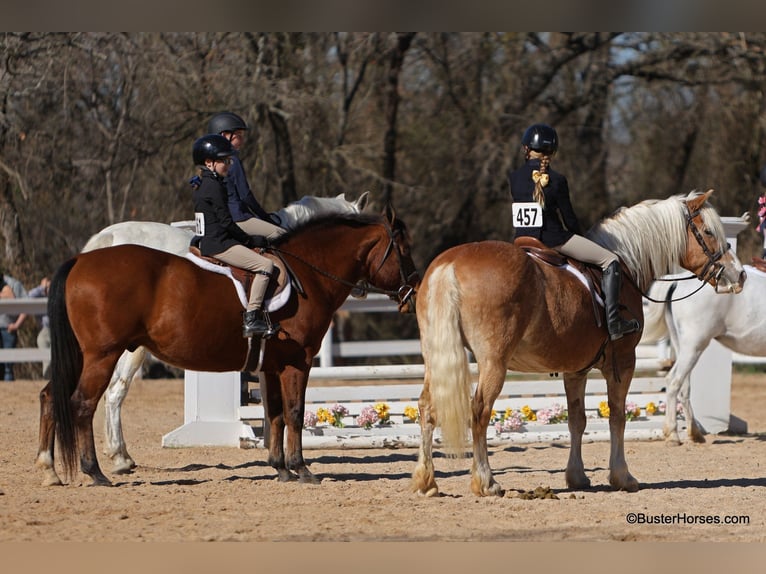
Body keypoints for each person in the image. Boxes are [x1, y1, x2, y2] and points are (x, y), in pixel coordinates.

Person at [508, 123, 640, 341]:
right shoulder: (557, 181)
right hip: (553, 241)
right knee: (610, 260)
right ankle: (614, 321)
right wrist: (582, 237)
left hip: (522, 240)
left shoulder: (514, 178)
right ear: (552, 152)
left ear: (526, 148)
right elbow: (569, 219)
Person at [191, 134, 280, 339]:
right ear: (209, 163)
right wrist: (249, 240)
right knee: (265, 266)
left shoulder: (203, 183)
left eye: (229, 160)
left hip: (209, 239)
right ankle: (252, 318)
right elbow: (226, 222)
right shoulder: (214, 187)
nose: (228, 165)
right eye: (224, 161)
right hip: (219, 244)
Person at [207, 111, 286, 241]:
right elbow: (245, 196)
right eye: (238, 135)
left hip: (219, 219)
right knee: (283, 235)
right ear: (224, 135)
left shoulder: (210, 162)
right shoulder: (232, 160)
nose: (242, 140)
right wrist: (265, 216)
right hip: (238, 218)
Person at [0, 270, 29, 381]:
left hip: (8, 329)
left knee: (8, 367)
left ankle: (8, 395)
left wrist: (16, 325)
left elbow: (27, 305)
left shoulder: (14, 284)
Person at [28, 276, 51, 377]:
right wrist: (42, 288)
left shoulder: (58, 296)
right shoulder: (40, 297)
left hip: (57, 332)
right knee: (46, 359)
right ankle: (47, 379)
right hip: (45, 331)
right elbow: (29, 296)